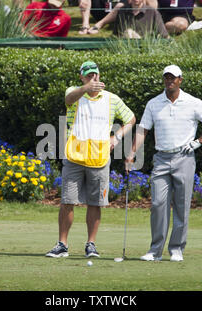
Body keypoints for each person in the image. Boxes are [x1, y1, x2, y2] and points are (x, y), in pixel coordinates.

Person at [125, 65, 202, 262]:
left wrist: (198, 142)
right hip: (161, 158)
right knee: (158, 203)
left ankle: (176, 248)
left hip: (184, 158)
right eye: (166, 78)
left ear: (180, 80)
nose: (170, 81)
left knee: (181, 205)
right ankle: (155, 251)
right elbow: (143, 130)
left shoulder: (192, 102)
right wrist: (131, 153)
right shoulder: (154, 103)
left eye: (173, 78)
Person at [46, 61, 136, 258]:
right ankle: (62, 244)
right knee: (68, 201)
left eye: (95, 74)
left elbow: (130, 118)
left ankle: (91, 244)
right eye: (88, 75)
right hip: (74, 157)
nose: (93, 78)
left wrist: (118, 136)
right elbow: (69, 98)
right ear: (82, 77)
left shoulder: (112, 99)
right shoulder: (75, 92)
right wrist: (85, 88)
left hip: (99, 158)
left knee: (95, 203)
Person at [87, 0, 158, 35]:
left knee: (120, 5)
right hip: (100, 10)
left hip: (124, 12)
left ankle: (99, 24)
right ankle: (87, 25)